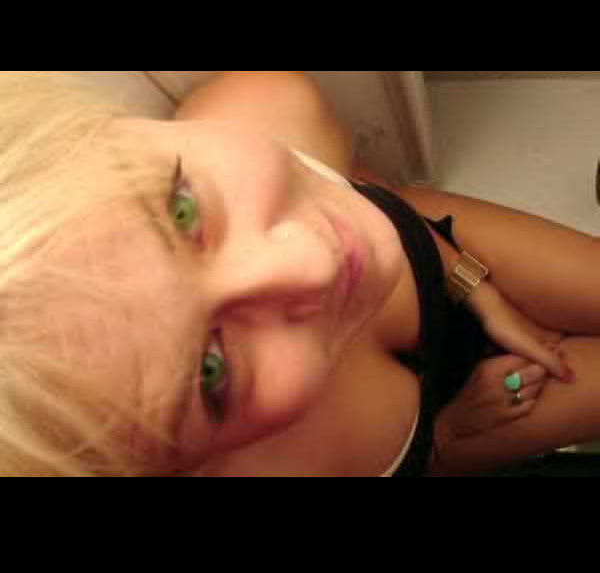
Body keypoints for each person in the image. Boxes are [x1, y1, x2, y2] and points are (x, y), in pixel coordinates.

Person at [1, 70, 599, 477]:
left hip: (447, 256)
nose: (315, 262)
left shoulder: (269, 105)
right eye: (210, 373)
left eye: (182, 211)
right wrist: (446, 440)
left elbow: (369, 193)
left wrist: (476, 287)